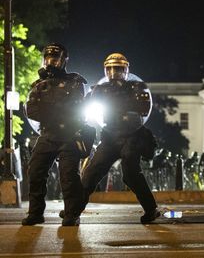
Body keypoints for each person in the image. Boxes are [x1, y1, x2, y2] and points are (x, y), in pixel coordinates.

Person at [79, 53, 159, 223]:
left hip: (131, 135)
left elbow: (143, 110)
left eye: (119, 69)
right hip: (110, 136)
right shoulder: (100, 90)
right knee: (92, 172)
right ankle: (73, 210)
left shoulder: (135, 89)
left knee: (131, 173)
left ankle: (151, 209)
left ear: (126, 70)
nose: (115, 73)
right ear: (106, 71)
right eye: (111, 69)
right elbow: (84, 107)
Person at [22, 43, 92, 226]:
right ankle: (36, 213)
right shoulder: (38, 85)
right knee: (35, 172)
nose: (50, 62)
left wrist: (50, 109)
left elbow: (74, 108)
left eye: (55, 58)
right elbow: (31, 110)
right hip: (47, 134)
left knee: (69, 177)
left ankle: (71, 214)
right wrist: (56, 110)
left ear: (63, 60)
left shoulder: (75, 82)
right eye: (48, 58)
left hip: (69, 134)